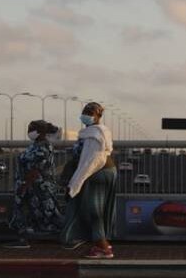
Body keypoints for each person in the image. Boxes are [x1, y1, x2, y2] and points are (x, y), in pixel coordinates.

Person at [60, 102, 117, 259]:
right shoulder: (98, 131)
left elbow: (92, 161)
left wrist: (75, 183)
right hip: (104, 171)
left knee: (94, 210)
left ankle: (103, 248)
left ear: (98, 115)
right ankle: (102, 244)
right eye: (84, 112)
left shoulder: (94, 134)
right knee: (96, 210)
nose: (85, 115)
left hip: (98, 173)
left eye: (90, 113)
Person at [4, 120, 64, 249]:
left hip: (38, 186)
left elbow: (36, 169)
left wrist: (24, 185)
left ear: (41, 132)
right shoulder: (35, 145)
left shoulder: (44, 147)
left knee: (47, 211)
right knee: (27, 211)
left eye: (32, 129)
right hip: (30, 185)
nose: (29, 132)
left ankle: (65, 237)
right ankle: (24, 238)